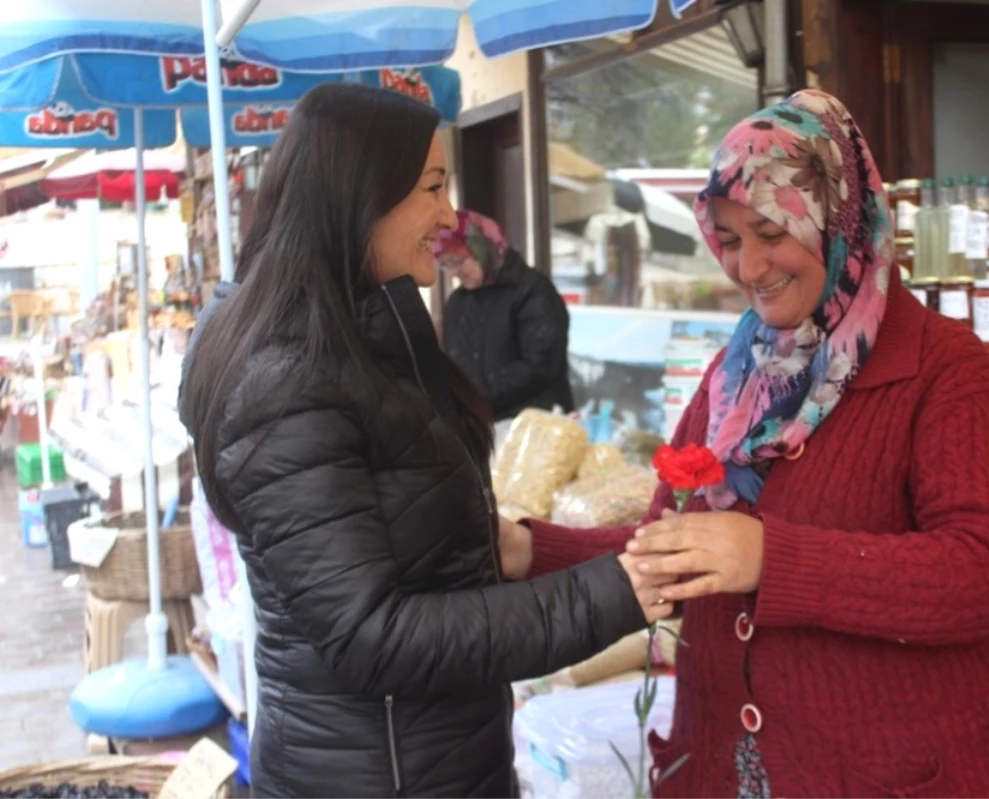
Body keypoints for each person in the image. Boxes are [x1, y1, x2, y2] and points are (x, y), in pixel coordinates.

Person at [500, 90, 989, 798]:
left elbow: (986, 575)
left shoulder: (941, 367)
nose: (748, 267)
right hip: (724, 767)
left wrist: (771, 557)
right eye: (728, 238)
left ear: (836, 217)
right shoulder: (737, 376)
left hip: (893, 773)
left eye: (770, 231)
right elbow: (675, 552)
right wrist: (529, 548)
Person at [177, 84, 671, 799]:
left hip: (428, 757)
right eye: (432, 187)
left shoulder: (361, 333)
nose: (447, 215)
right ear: (359, 194)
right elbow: (371, 633)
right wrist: (616, 591)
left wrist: (499, 544)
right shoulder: (285, 379)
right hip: (380, 775)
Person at [434, 209, 575, 421]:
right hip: (481, 425)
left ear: (481, 248)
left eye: (458, 261)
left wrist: (473, 396)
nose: (455, 272)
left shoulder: (532, 290)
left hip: (534, 424)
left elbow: (539, 367)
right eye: (446, 265)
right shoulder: (458, 302)